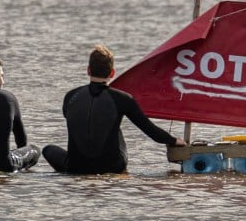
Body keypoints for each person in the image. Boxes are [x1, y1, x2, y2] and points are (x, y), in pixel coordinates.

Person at [42, 44, 185, 174]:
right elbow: (151, 131)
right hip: (112, 166)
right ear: (112, 73)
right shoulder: (122, 98)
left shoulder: (70, 96)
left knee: (48, 149)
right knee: (114, 126)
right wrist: (173, 140)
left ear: (88, 70)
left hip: (76, 167)